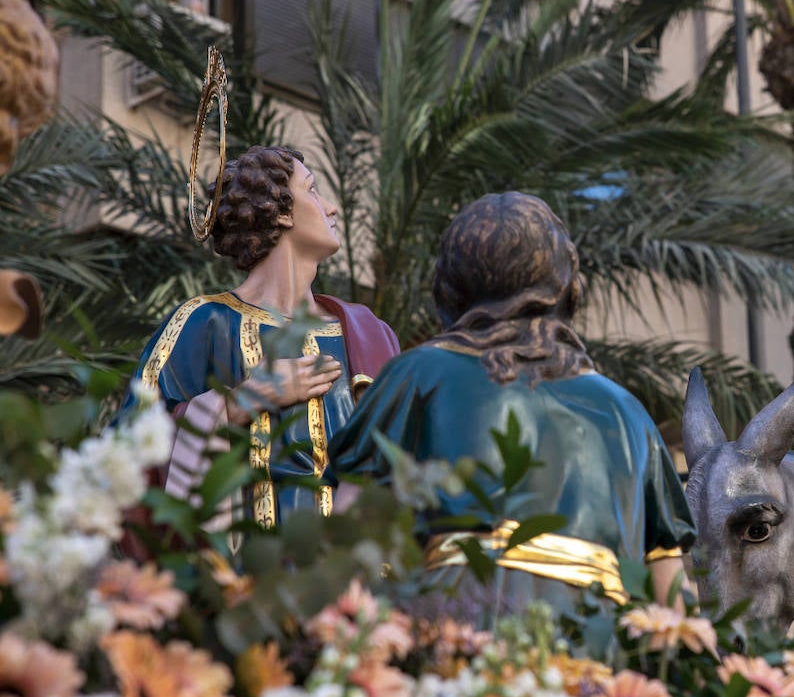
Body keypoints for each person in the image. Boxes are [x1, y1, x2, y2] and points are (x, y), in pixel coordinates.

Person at [328, 192, 695, 609]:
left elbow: (349, 540)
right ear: (565, 285)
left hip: (456, 635)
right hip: (597, 652)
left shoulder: (415, 375)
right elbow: (672, 601)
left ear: (451, 286)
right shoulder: (626, 411)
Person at [124, 143, 398, 527]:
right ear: (281, 211)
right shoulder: (207, 324)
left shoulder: (370, 335)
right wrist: (240, 403)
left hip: (355, 573)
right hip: (250, 572)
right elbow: (131, 449)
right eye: (313, 190)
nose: (332, 208)